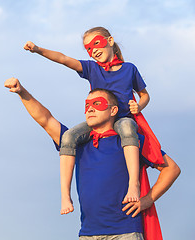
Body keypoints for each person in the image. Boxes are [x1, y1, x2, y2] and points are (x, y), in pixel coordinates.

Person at [4, 77, 180, 240]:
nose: (90, 109)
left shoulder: (131, 142)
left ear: (113, 110)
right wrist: (22, 92)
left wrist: (147, 200)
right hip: (88, 233)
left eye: (97, 104)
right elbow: (46, 119)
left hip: (126, 232)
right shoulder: (77, 143)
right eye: (87, 105)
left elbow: (171, 168)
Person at [24, 27, 151, 213]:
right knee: (68, 137)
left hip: (122, 118)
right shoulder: (92, 68)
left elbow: (145, 95)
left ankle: (134, 184)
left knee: (127, 129)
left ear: (110, 41)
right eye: (89, 49)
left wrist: (139, 106)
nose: (93, 50)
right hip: (98, 121)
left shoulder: (129, 69)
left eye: (96, 44)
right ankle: (65, 196)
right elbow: (64, 59)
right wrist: (38, 50)